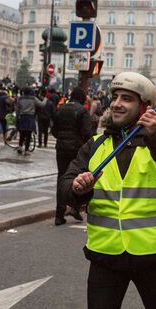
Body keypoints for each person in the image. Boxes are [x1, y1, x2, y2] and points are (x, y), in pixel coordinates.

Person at [60, 72, 156, 309]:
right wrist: (77, 188)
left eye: (127, 98)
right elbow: (66, 185)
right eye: (115, 97)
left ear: (146, 108)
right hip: (105, 255)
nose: (116, 104)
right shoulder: (96, 144)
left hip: (152, 255)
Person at [51, 87, 92, 225]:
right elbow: (87, 132)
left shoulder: (61, 109)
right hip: (76, 148)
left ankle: (59, 213)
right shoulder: (82, 111)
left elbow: (54, 130)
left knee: (62, 178)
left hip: (61, 147)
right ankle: (75, 207)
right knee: (76, 178)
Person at [15, 87, 46, 155]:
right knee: (28, 134)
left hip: (22, 117)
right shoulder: (33, 98)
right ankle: (26, 150)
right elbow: (42, 105)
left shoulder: (20, 98)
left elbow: (17, 109)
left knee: (22, 134)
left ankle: (20, 147)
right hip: (30, 117)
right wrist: (45, 99)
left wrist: (17, 118)